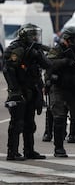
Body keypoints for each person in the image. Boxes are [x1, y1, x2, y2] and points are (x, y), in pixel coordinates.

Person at [3, 23, 51, 160]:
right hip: (19, 91)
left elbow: (48, 65)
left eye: (36, 34)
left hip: (32, 90)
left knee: (30, 123)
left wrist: (37, 54)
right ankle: (12, 152)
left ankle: (29, 150)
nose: (35, 37)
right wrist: (15, 90)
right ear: (25, 34)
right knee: (17, 123)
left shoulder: (35, 49)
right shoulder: (15, 48)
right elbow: (8, 69)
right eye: (32, 34)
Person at [46, 27, 75, 157]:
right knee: (59, 117)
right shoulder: (58, 49)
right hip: (59, 87)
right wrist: (65, 62)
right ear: (68, 40)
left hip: (73, 88)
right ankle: (58, 148)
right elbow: (49, 63)